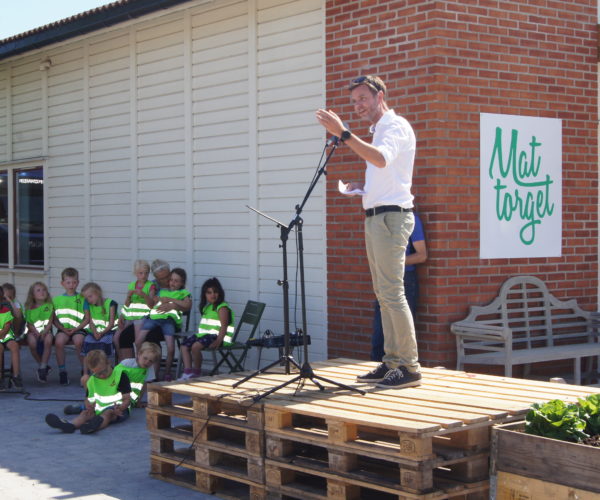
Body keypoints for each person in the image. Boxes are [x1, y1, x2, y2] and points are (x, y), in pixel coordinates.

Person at [316, 74, 421, 388]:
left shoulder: (395, 126)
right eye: (353, 101)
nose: (357, 105)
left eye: (362, 98)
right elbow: (384, 171)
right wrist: (364, 188)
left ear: (380, 96)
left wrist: (344, 133)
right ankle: (391, 362)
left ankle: (409, 367)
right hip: (378, 216)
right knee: (383, 294)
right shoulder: (379, 131)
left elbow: (380, 159)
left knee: (391, 292)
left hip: (391, 218)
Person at [371, 212, 427, 361]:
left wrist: (393, 263)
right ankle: (381, 367)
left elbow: (422, 255)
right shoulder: (378, 220)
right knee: (380, 332)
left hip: (404, 279)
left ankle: (405, 367)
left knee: (401, 332)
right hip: (384, 278)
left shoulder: (411, 219)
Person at [45, 350, 131, 434]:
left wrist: (120, 408)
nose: (102, 375)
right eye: (97, 374)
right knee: (85, 414)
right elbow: (88, 398)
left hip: (118, 410)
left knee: (108, 413)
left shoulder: (120, 375)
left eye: (103, 371)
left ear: (109, 362)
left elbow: (127, 399)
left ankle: (92, 427)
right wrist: (89, 406)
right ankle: (70, 425)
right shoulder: (92, 380)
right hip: (99, 409)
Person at [64, 341, 160, 415]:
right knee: (103, 404)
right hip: (115, 392)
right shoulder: (127, 363)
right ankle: (83, 407)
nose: (147, 362)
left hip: (128, 399)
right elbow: (113, 376)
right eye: (145, 358)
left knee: (110, 410)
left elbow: (144, 386)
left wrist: (138, 401)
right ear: (139, 354)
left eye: (151, 361)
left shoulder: (149, 370)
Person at [135, 268, 191, 381]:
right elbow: (154, 301)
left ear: (182, 283)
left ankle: (167, 372)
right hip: (154, 319)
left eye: (176, 281)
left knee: (170, 348)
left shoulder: (183, 293)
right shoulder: (162, 291)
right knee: (138, 340)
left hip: (168, 321)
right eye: (171, 280)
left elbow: (187, 305)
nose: (172, 283)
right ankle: (139, 364)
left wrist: (171, 300)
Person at [178, 277, 234, 380]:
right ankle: (188, 372)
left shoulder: (222, 308)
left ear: (220, 293)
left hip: (218, 337)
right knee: (184, 346)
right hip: (204, 336)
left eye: (215, 292)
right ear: (205, 295)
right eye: (209, 292)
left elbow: (224, 326)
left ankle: (196, 372)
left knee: (195, 347)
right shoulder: (207, 307)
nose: (213, 295)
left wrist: (218, 341)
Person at [117, 259, 170, 360]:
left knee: (150, 337)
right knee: (124, 336)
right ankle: (129, 368)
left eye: (167, 276)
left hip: (162, 321)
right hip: (146, 319)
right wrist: (122, 316)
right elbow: (130, 302)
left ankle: (152, 373)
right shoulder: (151, 284)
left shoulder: (175, 284)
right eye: (161, 278)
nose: (165, 280)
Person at [53, 267, 90, 385]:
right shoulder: (57, 300)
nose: (71, 285)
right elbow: (54, 319)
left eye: (74, 282)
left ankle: (84, 370)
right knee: (58, 342)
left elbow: (87, 318)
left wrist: (77, 328)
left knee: (79, 342)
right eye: (68, 282)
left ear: (78, 283)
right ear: (62, 283)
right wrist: (62, 328)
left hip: (79, 329)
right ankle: (62, 371)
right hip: (63, 329)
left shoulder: (83, 298)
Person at [114, 260, 156, 360]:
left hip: (142, 315)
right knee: (116, 338)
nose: (144, 275)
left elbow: (151, 305)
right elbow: (127, 303)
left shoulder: (150, 286)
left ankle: (139, 361)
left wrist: (144, 295)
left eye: (146, 273)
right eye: (141, 273)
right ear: (135, 273)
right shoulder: (132, 285)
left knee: (138, 341)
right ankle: (122, 362)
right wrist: (121, 316)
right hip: (130, 314)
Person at [80, 282, 118, 371]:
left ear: (98, 293)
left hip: (109, 331)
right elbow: (91, 322)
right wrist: (95, 332)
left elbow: (111, 323)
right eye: (86, 298)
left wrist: (101, 333)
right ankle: (86, 373)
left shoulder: (110, 303)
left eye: (90, 296)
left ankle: (105, 369)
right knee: (87, 342)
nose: (88, 300)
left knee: (103, 344)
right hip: (94, 332)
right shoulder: (90, 305)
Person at [24, 282, 54, 382]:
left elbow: (50, 321)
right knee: (32, 343)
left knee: (48, 340)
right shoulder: (29, 308)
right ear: (33, 295)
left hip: (46, 331)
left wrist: (45, 331)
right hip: (33, 332)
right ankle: (42, 365)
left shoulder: (49, 306)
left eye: (44, 289)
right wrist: (36, 332)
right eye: (38, 290)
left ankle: (42, 368)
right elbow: (29, 324)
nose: (42, 292)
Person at [0, 285, 23, 390]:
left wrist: (9, 300)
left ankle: (16, 376)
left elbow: (8, 326)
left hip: (6, 335)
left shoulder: (6, 309)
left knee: (14, 346)